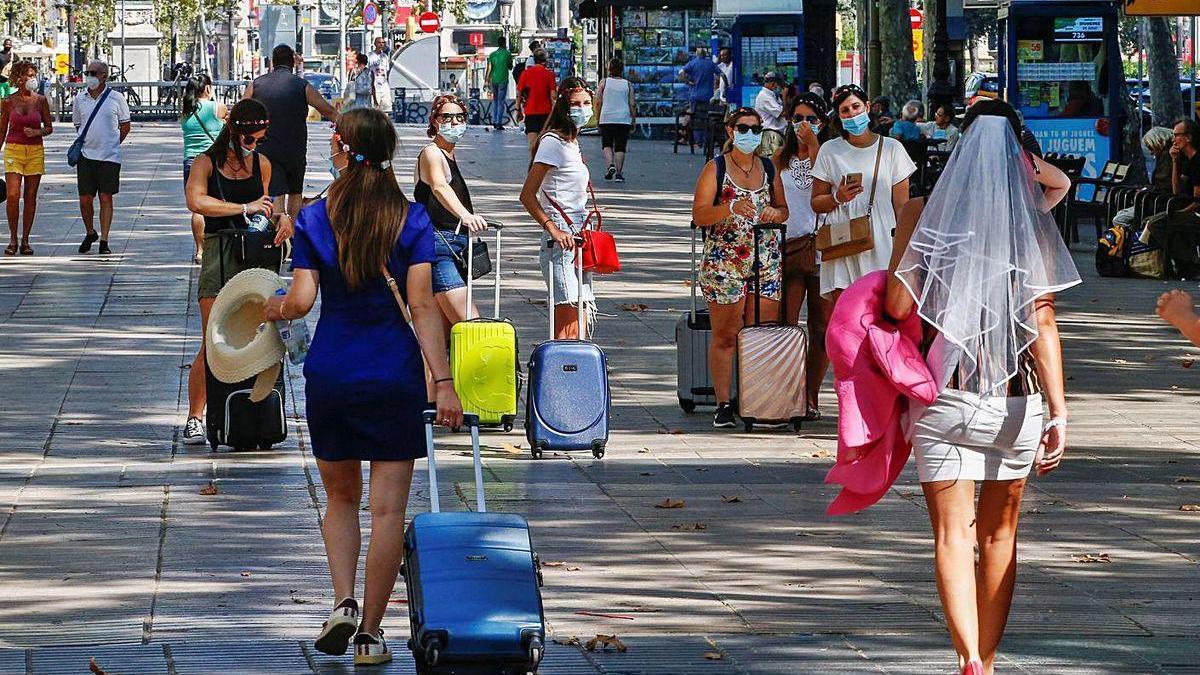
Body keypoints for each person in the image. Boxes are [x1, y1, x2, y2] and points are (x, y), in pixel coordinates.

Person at [883, 99, 1077, 675]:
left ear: (959, 147)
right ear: (1018, 152)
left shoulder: (925, 213)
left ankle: (966, 655)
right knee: (999, 538)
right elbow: (1043, 320)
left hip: (944, 394)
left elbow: (896, 305)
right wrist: (1059, 413)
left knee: (950, 536)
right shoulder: (1029, 225)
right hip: (1016, 401)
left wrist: (912, 257)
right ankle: (988, 663)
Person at [264, 108, 463, 666]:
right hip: (394, 375)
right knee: (387, 512)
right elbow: (422, 306)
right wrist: (443, 382)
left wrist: (268, 306)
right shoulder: (412, 219)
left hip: (332, 373)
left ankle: (343, 601)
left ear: (343, 149)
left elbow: (301, 303)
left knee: (340, 499)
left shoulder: (314, 218)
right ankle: (372, 636)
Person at [181, 99, 291, 446]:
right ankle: (196, 416)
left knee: (258, 334)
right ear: (235, 132)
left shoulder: (262, 164)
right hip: (220, 253)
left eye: (260, 139)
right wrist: (243, 207)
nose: (255, 145)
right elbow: (195, 201)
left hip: (255, 256)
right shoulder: (206, 163)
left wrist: (282, 218)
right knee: (212, 338)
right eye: (249, 139)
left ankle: (256, 413)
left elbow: (268, 207)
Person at [690, 107, 789, 429]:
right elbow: (700, 215)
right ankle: (723, 402)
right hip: (725, 262)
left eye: (756, 128)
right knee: (726, 335)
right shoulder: (715, 169)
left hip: (766, 259)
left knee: (760, 332)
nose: (750, 133)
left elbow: (784, 209)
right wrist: (729, 207)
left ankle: (759, 399)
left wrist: (776, 213)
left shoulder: (769, 168)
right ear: (730, 131)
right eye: (743, 127)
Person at [810, 84, 915, 301]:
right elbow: (817, 202)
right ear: (839, 116)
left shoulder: (892, 149)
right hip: (842, 239)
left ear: (867, 107)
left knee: (879, 308)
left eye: (856, 107)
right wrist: (837, 197)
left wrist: (905, 249)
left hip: (883, 238)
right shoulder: (829, 150)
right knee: (846, 312)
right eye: (845, 110)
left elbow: (902, 206)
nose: (852, 114)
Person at [519, 78, 598, 340]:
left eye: (587, 103)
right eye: (575, 104)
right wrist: (552, 228)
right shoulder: (552, 142)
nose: (582, 109)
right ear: (563, 106)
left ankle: (581, 372)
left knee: (583, 306)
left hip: (580, 234)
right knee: (569, 315)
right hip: (562, 235)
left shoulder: (572, 142)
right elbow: (528, 195)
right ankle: (567, 372)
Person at [773, 93, 832, 420]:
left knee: (822, 327)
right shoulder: (781, 156)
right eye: (798, 118)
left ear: (822, 122)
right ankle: (789, 393)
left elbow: (826, 188)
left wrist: (814, 146)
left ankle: (811, 395)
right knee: (787, 324)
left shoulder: (829, 154)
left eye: (811, 118)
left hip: (825, 249)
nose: (803, 125)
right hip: (792, 245)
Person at [414, 95, 487, 333]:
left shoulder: (449, 154)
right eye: (446, 117)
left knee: (445, 334)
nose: (454, 123)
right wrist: (466, 215)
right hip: (439, 246)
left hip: (455, 246)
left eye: (459, 117)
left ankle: (441, 372)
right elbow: (439, 186)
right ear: (434, 121)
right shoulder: (432, 153)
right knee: (471, 325)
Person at [245, 44, 338, 225]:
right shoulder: (302, 86)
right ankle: (292, 232)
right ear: (292, 63)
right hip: (294, 149)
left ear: (272, 62)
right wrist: (350, 125)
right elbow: (328, 111)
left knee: (276, 191)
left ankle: (278, 233)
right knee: (295, 191)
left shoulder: (256, 85)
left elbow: (241, 111)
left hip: (266, 147)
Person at [73, 60, 131, 256]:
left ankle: (104, 239)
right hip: (86, 156)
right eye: (87, 72)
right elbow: (78, 125)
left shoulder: (116, 98)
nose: (89, 76)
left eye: (93, 72)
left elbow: (125, 126)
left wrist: (112, 143)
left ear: (104, 76)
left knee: (106, 197)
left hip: (109, 157)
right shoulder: (80, 99)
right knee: (85, 199)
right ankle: (90, 232)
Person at [0, 60, 51, 257]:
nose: (31, 79)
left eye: (33, 75)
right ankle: (13, 238)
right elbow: (2, 130)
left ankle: (26, 240)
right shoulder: (8, 102)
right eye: (28, 76)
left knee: (30, 197)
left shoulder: (40, 101)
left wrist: (37, 131)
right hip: (14, 150)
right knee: (12, 195)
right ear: (18, 78)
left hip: (35, 151)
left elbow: (49, 127)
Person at [180, 73, 228, 265]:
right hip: (213, 161)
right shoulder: (218, 108)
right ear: (207, 88)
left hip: (191, 162)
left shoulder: (185, 112)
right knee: (218, 203)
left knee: (197, 207)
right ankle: (217, 245)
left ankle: (200, 250)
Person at [596, 58, 635, 183]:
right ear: (622, 70)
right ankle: (619, 174)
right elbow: (632, 104)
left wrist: (598, 117)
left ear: (610, 69)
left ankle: (610, 165)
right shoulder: (628, 84)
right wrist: (633, 119)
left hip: (606, 118)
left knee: (606, 144)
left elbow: (598, 101)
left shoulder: (604, 82)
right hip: (623, 119)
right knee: (620, 147)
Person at [679, 48, 725, 145]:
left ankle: (695, 138)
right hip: (708, 96)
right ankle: (704, 139)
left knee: (694, 115)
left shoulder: (692, 63)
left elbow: (681, 73)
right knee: (705, 117)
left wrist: (688, 81)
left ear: (696, 54)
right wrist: (722, 86)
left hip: (695, 95)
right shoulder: (710, 64)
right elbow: (721, 74)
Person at [516, 49, 557, 149]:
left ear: (534, 60)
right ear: (546, 60)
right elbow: (553, 97)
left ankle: (534, 162)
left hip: (530, 113)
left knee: (533, 144)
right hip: (546, 114)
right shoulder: (549, 75)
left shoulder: (525, 74)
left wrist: (518, 111)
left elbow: (519, 94)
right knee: (545, 144)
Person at [754, 72, 786, 158]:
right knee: (773, 163)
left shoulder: (772, 94)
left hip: (776, 133)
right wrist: (785, 96)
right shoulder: (764, 96)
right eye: (776, 83)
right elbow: (782, 113)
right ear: (773, 83)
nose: (777, 86)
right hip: (770, 134)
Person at [484, 36, 513, 131]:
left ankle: (494, 120)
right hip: (503, 80)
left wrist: (486, 80)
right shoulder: (507, 54)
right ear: (504, 43)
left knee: (495, 101)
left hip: (494, 80)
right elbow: (510, 67)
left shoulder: (492, 55)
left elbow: (489, 68)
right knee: (501, 102)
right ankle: (498, 122)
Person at [367, 37, 393, 114]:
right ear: (375, 44)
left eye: (383, 43)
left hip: (384, 86)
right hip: (375, 86)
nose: (381, 44)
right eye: (379, 42)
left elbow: (387, 71)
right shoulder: (370, 56)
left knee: (386, 109)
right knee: (374, 110)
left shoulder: (384, 57)